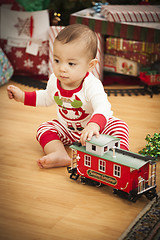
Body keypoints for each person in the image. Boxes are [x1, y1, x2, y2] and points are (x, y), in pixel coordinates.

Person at [7, 24, 129, 169]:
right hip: (68, 130)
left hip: (96, 131)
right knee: (44, 129)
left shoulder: (91, 85)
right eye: (57, 60)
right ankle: (59, 153)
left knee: (120, 127)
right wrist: (22, 96)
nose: (62, 68)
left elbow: (103, 106)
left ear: (90, 65)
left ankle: (120, 156)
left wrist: (94, 125)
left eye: (71, 63)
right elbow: (46, 97)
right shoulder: (55, 80)